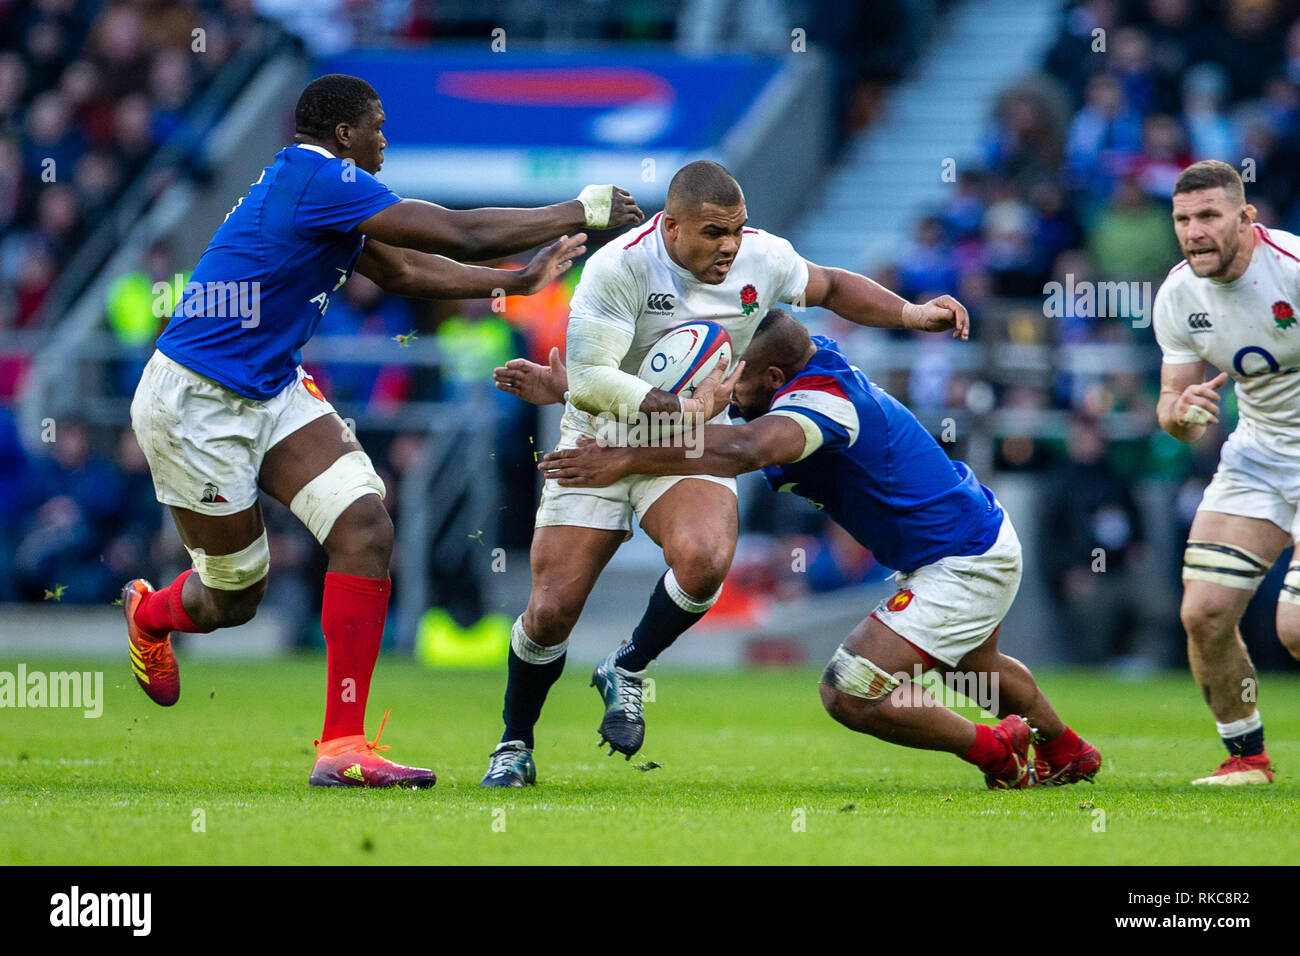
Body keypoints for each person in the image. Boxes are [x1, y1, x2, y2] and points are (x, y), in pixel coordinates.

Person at [121, 73, 644, 788]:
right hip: (195, 402)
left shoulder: (320, 189)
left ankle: (343, 745)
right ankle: (151, 615)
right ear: (344, 134)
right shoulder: (322, 178)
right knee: (235, 596)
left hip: (269, 386)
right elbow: (454, 231)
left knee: (365, 525)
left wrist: (513, 283)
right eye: (378, 125)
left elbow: (400, 270)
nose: (384, 140)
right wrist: (575, 210)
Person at [482, 160, 972, 788]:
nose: (729, 246)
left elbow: (828, 286)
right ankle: (514, 742)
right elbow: (593, 379)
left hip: (689, 438)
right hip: (602, 431)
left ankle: (626, 668)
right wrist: (676, 406)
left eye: (736, 230)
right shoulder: (618, 267)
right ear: (672, 224)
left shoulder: (760, 258)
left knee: (706, 558)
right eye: (714, 233)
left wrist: (911, 314)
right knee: (550, 611)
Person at [536, 309, 1101, 788]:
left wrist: (628, 454)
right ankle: (1068, 750)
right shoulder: (804, 361)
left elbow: (749, 448)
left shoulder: (823, 403)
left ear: (776, 374)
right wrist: (574, 390)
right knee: (973, 668)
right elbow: (705, 407)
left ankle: (995, 751)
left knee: (849, 690)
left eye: (737, 376)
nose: (727, 388)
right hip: (968, 539)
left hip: (963, 559)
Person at [1152, 159, 1300, 785]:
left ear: (1246, 218)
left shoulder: (1291, 270)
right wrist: (1182, 415)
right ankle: (1247, 759)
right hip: (1259, 455)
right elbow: (1171, 410)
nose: (1194, 231)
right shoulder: (1178, 294)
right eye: (1183, 219)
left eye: (1209, 215)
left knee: (1295, 628)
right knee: (1204, 614)